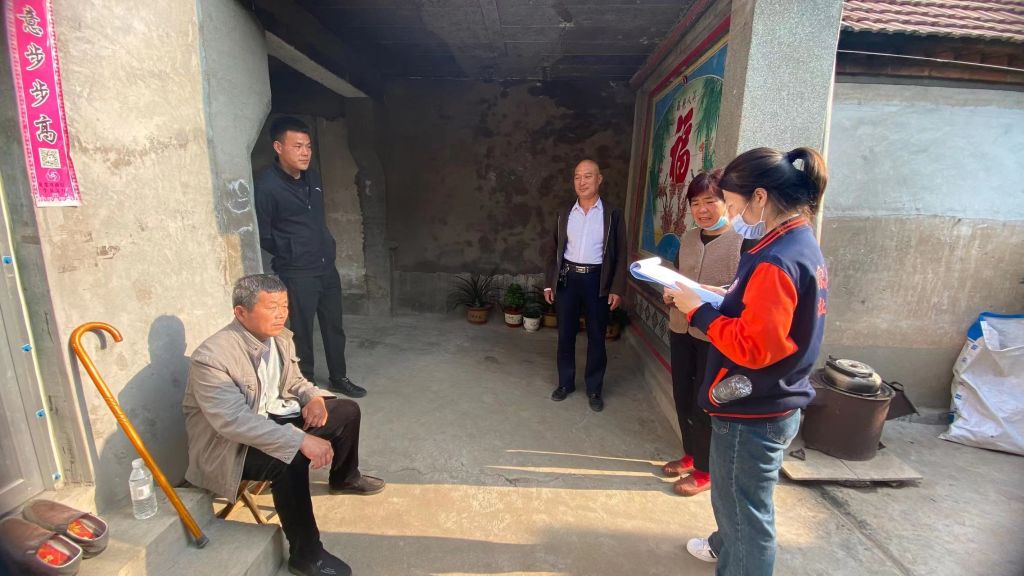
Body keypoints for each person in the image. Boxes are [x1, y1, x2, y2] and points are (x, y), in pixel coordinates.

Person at [667, 147, 829, 575]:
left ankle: (738, 560)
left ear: (759, 196)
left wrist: (699, 312)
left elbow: (755, 347)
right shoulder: (795, 242)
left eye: (732, 203)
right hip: (771, 398)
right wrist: (715, 296)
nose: (732, 213)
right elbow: (759, 308)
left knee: (746, 514)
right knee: (736, 501)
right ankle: (724, 545)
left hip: (754, 410)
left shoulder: (777, 259)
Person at [183, 274, 385, 576]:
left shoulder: (280, 338)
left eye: (285, 306)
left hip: (272, 418)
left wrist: (312, 397)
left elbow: (295, 381)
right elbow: (233, 422)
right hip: (230, 447)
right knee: (288, 458)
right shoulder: (212, 358)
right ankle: (306, 555)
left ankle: (344, 477)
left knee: (345, 410)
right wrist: (299, 439)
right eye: (271, 307)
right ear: (241, 312)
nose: (281, 314)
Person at [254, 116, 365, 398]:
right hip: (297, 271)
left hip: (326, 266)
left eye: (308, 146)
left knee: (334, 326)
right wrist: (292, 250)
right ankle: (307, 386)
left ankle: (339, 377)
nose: (305, 153)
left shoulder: (313, 178)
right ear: (278, 147)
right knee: (302, 331)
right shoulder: (267, 186)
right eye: (298, 146)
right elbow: (263, 233)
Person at [660, 169, 752, 497]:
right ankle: (690, 453)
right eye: (695, 203)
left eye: (710, 201)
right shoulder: (687, 239)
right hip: (681, 327)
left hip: (714, 336)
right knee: (682, 394)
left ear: (727, 203)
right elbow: (676, 275)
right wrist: (668, 291)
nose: (702, 210)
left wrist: (714, 294)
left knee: (705, 401)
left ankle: (705, 469)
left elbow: (744, 293)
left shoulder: (742, 242)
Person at [544, 159, 627, 412]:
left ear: (599, 179)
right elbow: (553, 250)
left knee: (596, 336)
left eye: (588, 176)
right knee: (565, 334)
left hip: (597, 280)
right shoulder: (564, 213)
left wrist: (617, 288)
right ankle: (565, 383)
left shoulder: (612, 214)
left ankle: (594, 388)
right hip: (568, 278)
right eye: (577, 177)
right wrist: (549, 283)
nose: (582, 182)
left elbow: (621, 253)